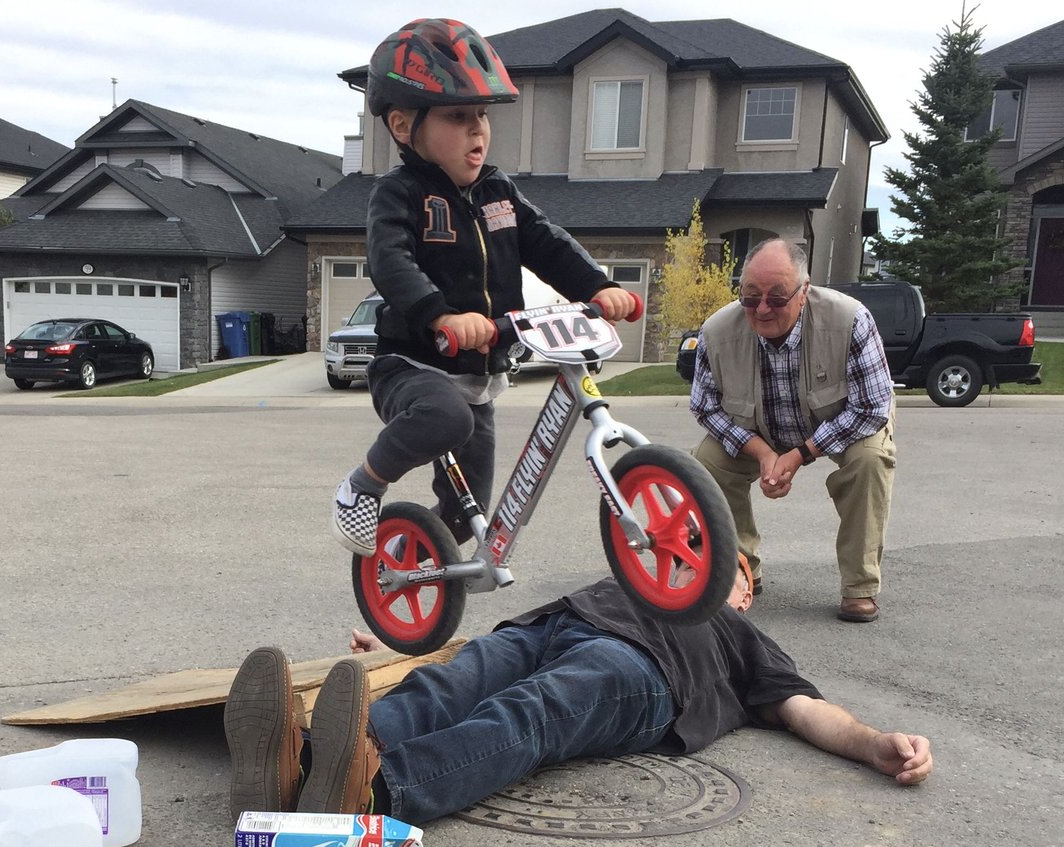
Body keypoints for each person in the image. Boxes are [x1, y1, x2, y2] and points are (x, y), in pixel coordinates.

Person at [223, 556, 933, 825]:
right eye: (676, 538)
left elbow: (805, 708)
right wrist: (399, 646)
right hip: (549, 626)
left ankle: (375, 792)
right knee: (451, 681)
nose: (686, 552)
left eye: (724, 562)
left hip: (641, 675)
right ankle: (305, 763)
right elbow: (453, 643)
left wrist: (875, 743)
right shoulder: (621, 577)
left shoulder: (740, 634)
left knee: (530, 712)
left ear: (744, 591)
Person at [331, 18, 637, 556]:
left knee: (464, 514)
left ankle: (407, 573)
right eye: (457, 116)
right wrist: (441, 316)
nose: (477, 130)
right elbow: (391, 261)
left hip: (480, 374)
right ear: (404, 126)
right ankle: (362, 486)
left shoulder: (500, 191)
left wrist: (598, 286)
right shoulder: (398, 194)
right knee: (444, 418)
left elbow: (546, 242)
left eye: (481, 116)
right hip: (413, 365)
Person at [689, 238, 896, 622]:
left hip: (838, 423)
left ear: (805, 291)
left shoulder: (850, 319)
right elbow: (705, 406)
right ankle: (739, 567)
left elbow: (871, 407)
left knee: (870, 460)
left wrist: (801, 453)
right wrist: (764, 454)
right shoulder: (716, 331)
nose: (762, 309)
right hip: (759, 429)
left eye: (777, 298)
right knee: (705, 462)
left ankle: (859, 586)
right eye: (750, 298)